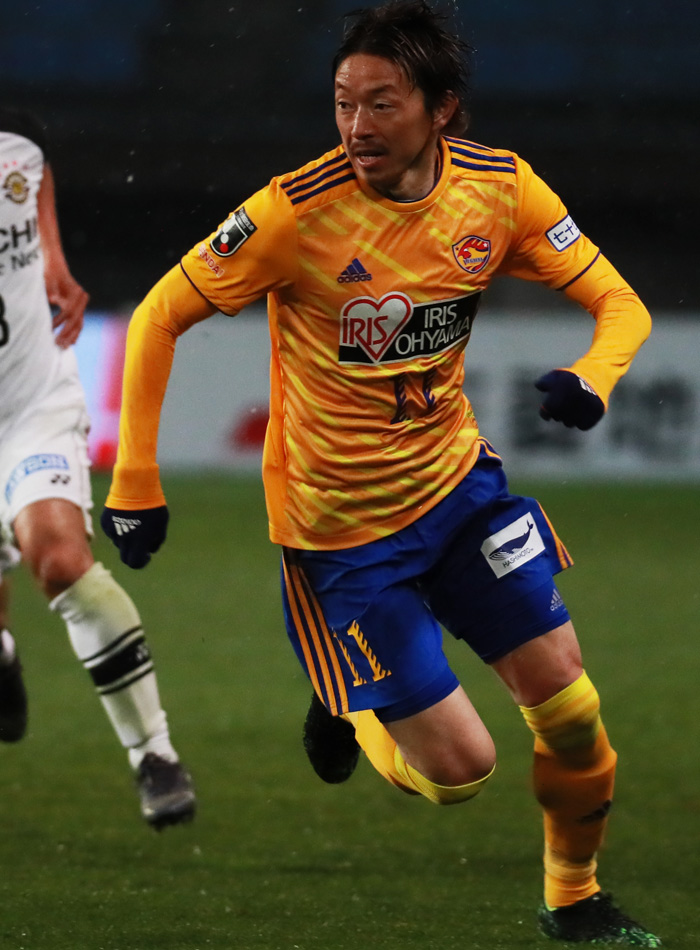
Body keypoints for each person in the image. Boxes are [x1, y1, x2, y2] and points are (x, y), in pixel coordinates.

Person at [101, 1, 660, 942]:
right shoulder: (294, 213)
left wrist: (593, 377)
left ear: (441, 110)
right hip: (341, 539)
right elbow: (159, 315)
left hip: (459, 493)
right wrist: (134, 483)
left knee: (571, 706)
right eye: (342, 102)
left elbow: (621, 304)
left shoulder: (501, 190)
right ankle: (348, 710)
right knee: (461, 774)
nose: (356, 125)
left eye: (381, 104)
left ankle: (574, 901)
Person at [0, 106, 196, 830]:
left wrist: (49, 254)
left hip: (31, 403)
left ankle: (155, 755)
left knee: (58, 559)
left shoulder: (13, 140)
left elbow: (33, 163)